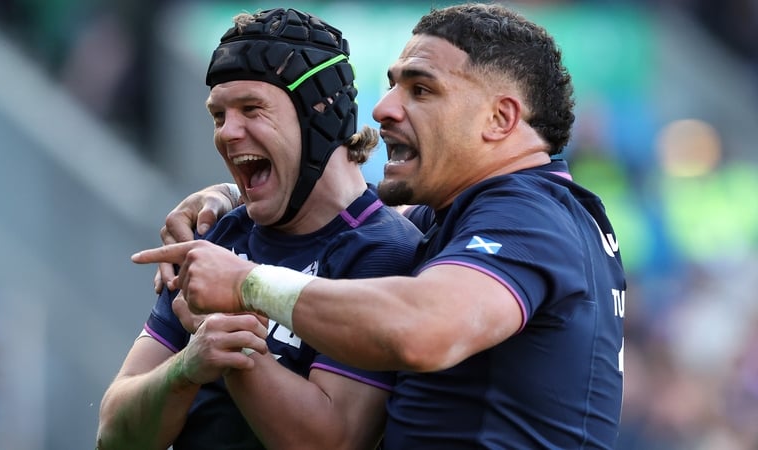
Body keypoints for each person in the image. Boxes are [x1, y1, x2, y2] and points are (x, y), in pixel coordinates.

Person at [136, 2, 628, 449]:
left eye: (420, 89)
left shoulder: (529, 212)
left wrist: (246, 284)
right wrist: (227, 197)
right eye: (393, 84)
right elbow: (349, 213)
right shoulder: (461, 218)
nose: (383, 107)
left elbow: (422, 327)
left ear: (500, 119)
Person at [96, 8, 422, 450]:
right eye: (218, 115)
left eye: (252, 108)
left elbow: (333, 440)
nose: (227, 133)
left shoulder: (384, 251)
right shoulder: (219, 234)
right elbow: (115, 434)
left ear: (321, 112)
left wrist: (229, 343)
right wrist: (185, 368)